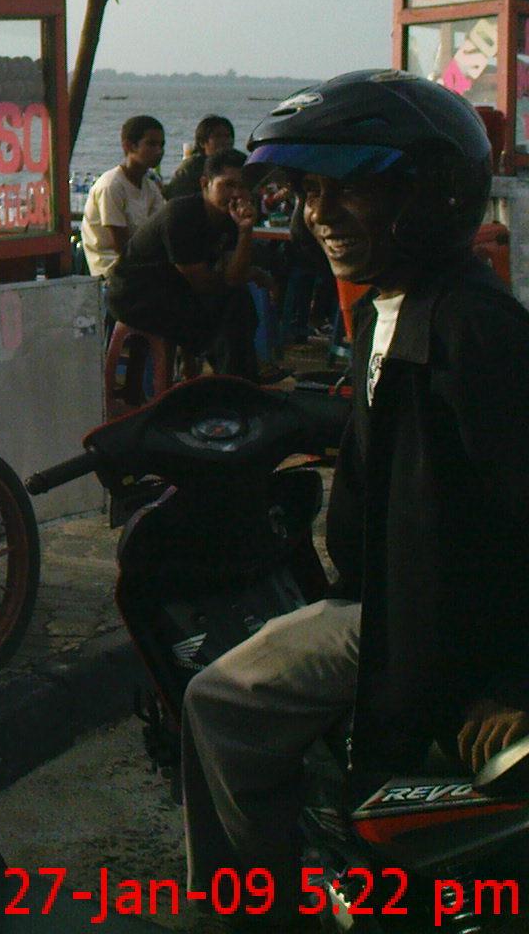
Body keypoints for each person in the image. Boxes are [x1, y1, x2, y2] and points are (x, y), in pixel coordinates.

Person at [179, 71, 529, 903]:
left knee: (217, 702)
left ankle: (245, 910)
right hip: (393, 596)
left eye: (348, 191)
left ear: (426, 195)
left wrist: (515, 687)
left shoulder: (476, 332)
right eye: (309, 193)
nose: (321, 214)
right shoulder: (387, 312)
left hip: (428, 624)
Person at [107, 149, 264, 381]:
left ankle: (237, 378)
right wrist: (249, 274)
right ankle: (234, 380)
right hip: (135, 295)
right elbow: (203, 284)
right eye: (228, 185)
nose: (236, 194)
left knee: (237, 301)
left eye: (243, 187)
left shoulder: (230, 218)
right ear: (205, 184)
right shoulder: (182, 215)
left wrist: (245, 231)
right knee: (230, 309)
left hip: (175, 291)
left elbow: (233, 277)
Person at [78, 115, 166, 278]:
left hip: (142, 264)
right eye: (151, 144)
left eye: (161, 145)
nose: (159, 151)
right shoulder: (111, 186)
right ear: (129, 146)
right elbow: (123, 247)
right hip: (113, 271)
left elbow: (160, 229)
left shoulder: (150, 186)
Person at [164, 115, 236, 200]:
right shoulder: (192, 167)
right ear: (202, 142)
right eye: (217, 136)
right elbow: (175, 197)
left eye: (227, 136)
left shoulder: (236, 163)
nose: (224, 141)